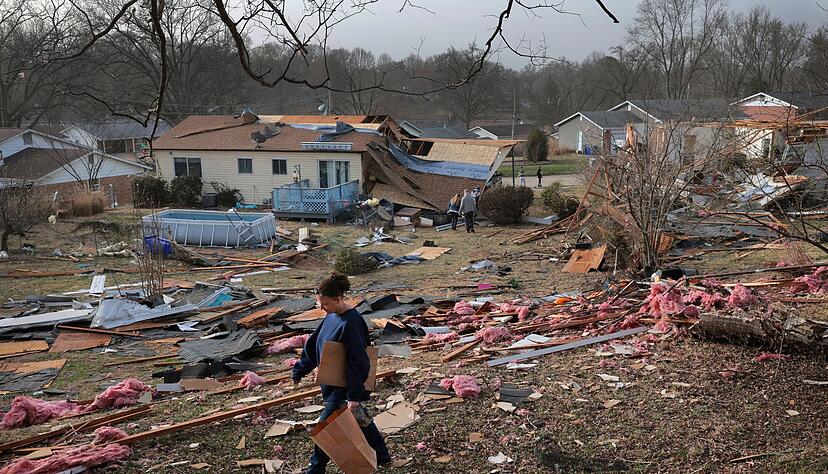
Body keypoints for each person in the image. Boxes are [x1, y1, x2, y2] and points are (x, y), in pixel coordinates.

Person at [292, 273, 391, 473]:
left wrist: (353, 395)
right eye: (319, 303)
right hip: (331, 383)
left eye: (325, 304)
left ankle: (316, 468)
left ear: (338, 299)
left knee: (325, 426)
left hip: (344, 386)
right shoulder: (331, 316)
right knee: (359, 418)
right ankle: (382, 456)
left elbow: (358, 361)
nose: (322, 308)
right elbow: (314, 344)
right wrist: (300, 369)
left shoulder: (352, 323)